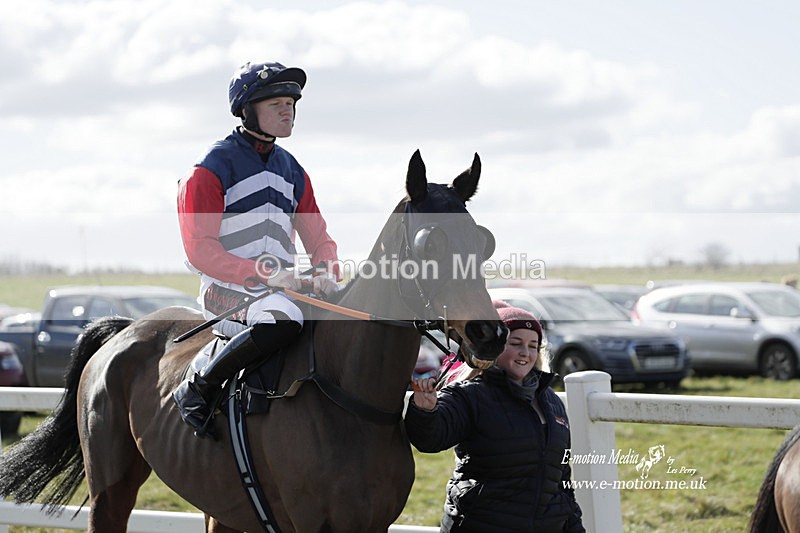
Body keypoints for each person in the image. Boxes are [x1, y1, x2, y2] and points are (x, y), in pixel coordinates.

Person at [173, 61, 340, 438]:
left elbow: (319, 238)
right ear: (247, 109)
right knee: (283, 320)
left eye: (291, 103)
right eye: (276, 103)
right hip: (226, 288)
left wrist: (329, 272)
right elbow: (200, 249)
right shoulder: (209, 169)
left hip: (280, 287)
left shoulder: (293, 170)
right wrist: (267, 275)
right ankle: (197, 388)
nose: (288, 110)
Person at [405, 301, 584, 532]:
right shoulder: (469, 395)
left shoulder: (551, 402)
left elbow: (560, 480)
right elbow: (429, 440)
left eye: (533, 346)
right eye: (515, 343)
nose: (525, 353)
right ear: (495, 347)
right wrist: (425, 410)